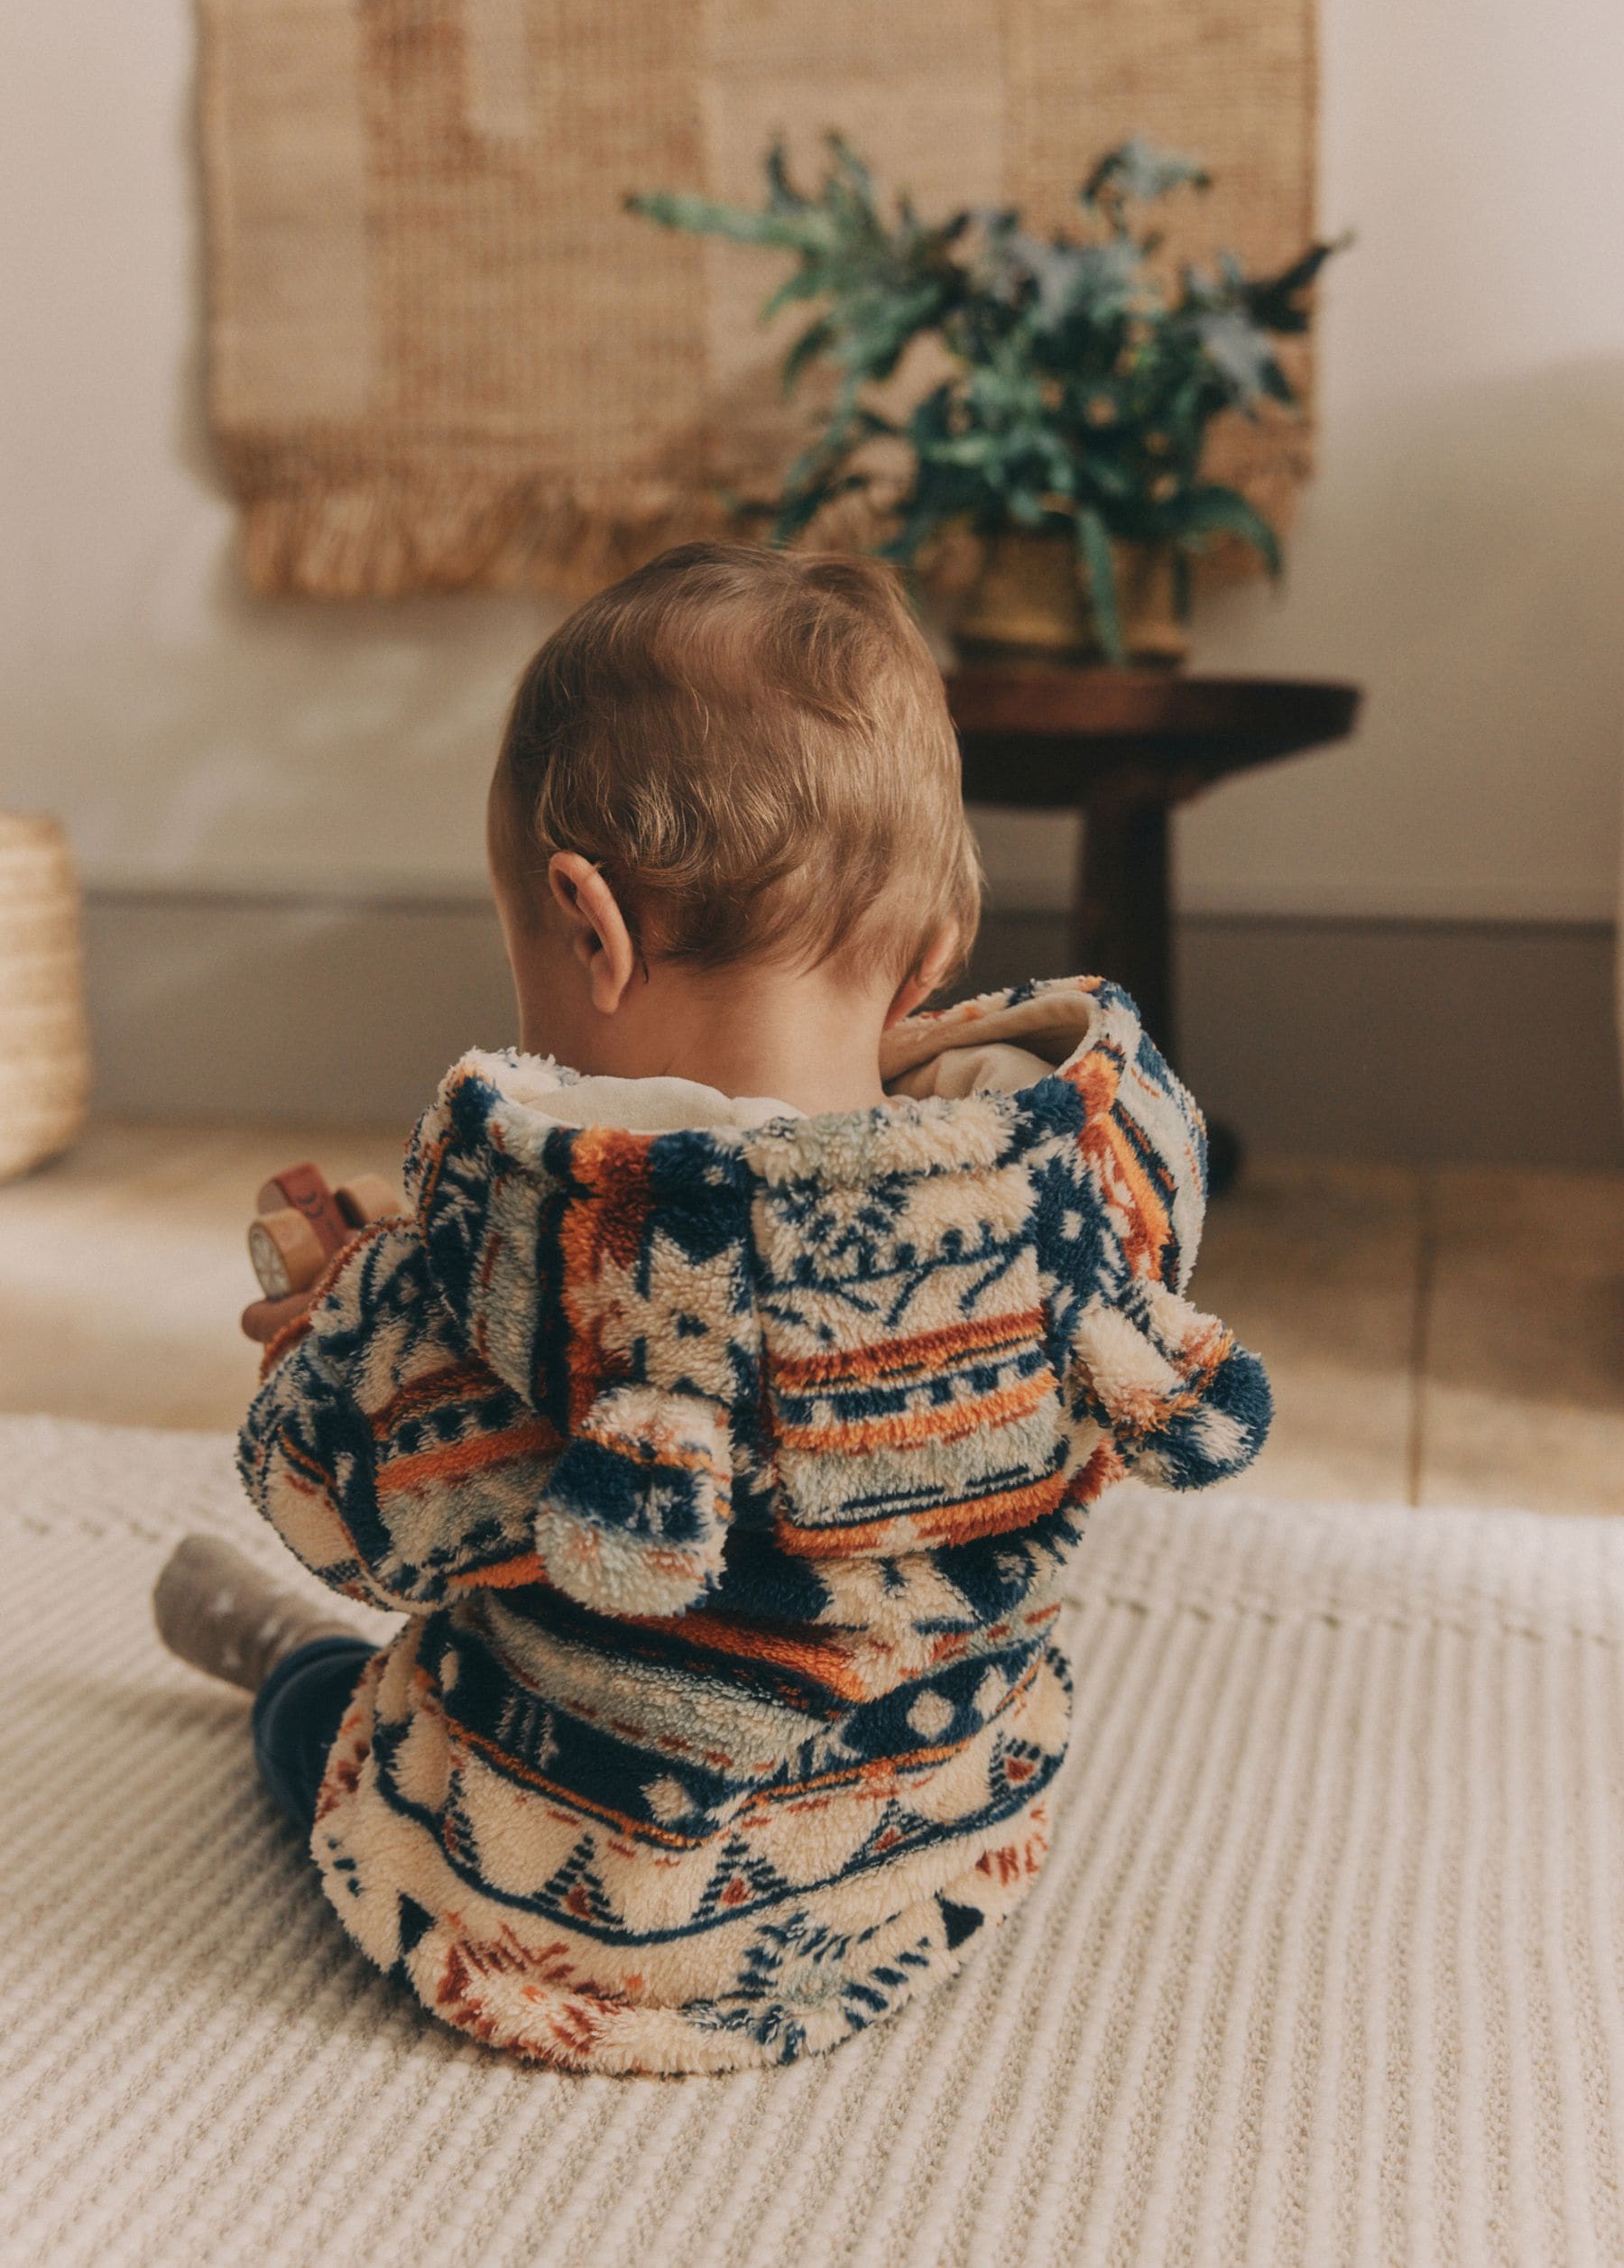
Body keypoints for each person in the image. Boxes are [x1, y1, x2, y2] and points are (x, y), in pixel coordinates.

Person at [153, 542, 1271, 2076]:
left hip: (578, 1906)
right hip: (916, 1846)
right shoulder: (1094, 1183)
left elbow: (349, 1513)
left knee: (338, 1724)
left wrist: (350, 1329)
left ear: (589, 926)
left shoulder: (535, 1270)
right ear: (932, 962)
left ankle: (272, 1672)